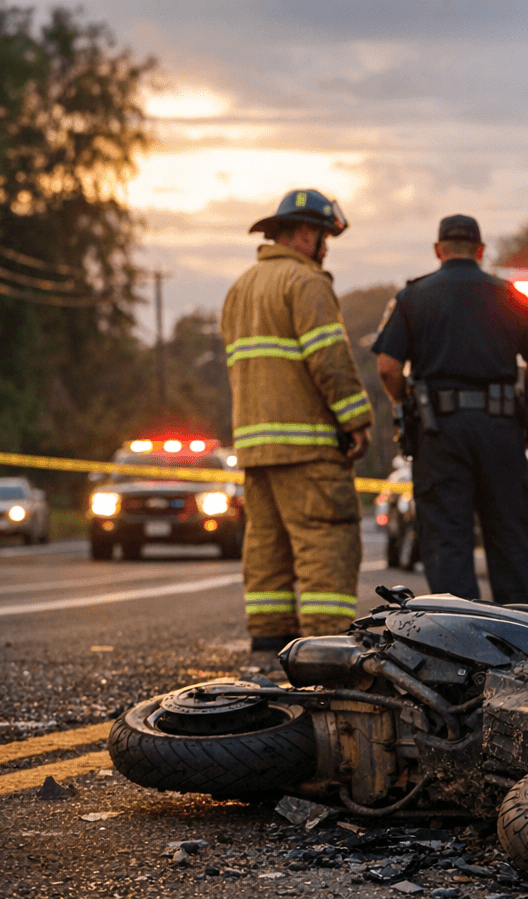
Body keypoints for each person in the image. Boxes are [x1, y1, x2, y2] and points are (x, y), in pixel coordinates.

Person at [371, 214, 528, 604]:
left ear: (439, 250)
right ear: (481, 251)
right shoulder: (511, 295)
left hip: (440, 432)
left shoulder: (413, 297)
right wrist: (513, 393)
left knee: (447, 537)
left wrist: (408, 402)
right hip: (501, 431)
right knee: (509, 536)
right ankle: (525, 636)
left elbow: (387, 367)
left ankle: (462, 636)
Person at [221, 189, 373, 652]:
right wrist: (355, 420)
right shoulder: (306, 283)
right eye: (324, 237)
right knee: (327, 541)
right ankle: (325, 651)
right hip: (308, 448)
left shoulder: (241, 287)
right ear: (305, 234)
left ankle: (269, 645)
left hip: (256, 449)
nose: (326, 248)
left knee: (267, 547)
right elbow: (329, 359)